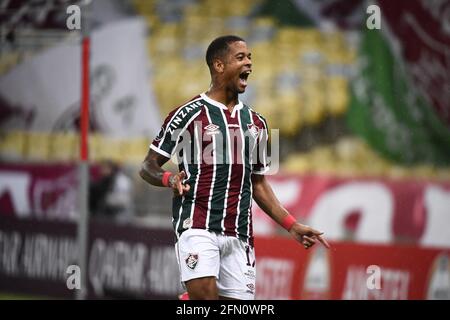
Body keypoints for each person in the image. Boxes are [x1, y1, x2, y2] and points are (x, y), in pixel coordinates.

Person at [139, 35, 330, 300]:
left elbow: (259, 183)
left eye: (250, 57)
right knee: (205, 297)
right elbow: (148, 166)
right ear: (219, 65)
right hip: (197, 224)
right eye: (241, 57)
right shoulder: (187, 114)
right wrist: (170, 179)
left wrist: (291, 225)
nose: (249, 63)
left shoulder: (258, 123)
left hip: (239, 234)